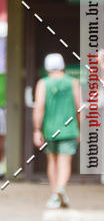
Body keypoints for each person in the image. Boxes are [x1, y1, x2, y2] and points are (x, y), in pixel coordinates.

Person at [33, 53, 80, 209]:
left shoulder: (43, 83)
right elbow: (80, 107)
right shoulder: (73, 82)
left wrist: (37, 130)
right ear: (63, 65)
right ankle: (60, 190)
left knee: (52, 161)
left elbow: (39, 107)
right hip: (70, 129)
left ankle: (55, 194)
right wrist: (81, 128)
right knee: (65, 162)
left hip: (50, 129)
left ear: (47, 67)